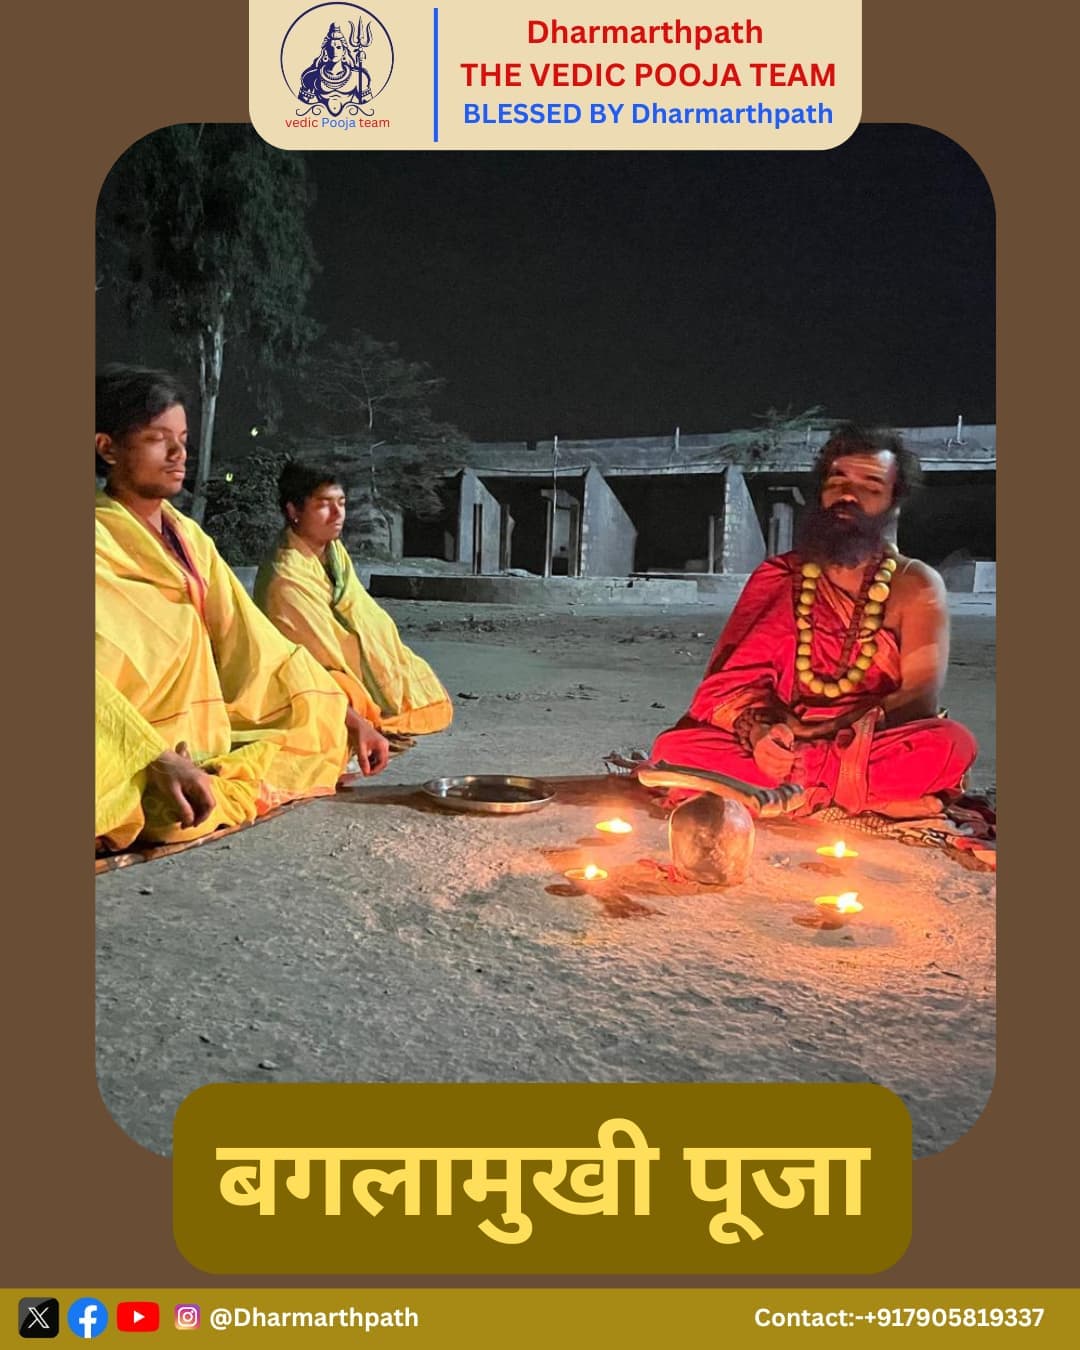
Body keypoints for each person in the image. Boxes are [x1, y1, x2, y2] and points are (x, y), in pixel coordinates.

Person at [95, 365, 388, 853]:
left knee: (314, 719)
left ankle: (187, 781)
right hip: (120, 734)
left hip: (197, 733)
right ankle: (162, 781)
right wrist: (150, 753)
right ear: (107, 448)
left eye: (183, 439)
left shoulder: (187, 538)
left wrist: (344, 714)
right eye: (157, 438)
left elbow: (254, 641)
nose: (178, 454)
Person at [650, 424, 978, 820]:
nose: (848, 494)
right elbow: (726, 690)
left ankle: (786, 792)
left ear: (893, 503)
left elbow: (919, 699)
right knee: (673, 748)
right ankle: (847, 794)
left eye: (871, 486)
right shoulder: (779, 576)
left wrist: (821, 735)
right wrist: (759, 735)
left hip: (861, 742)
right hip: (779, 740)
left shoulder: (916, 584)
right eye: (837, 480)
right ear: (820, 491)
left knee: (950, 745)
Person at [254, 464, 454, 740]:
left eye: (342, 503)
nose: (338, 515)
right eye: (324, 505)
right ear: (293, 511)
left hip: (347, 665)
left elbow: (361, 611)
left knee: (413, 669)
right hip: (310, 677)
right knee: (339, 694)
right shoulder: (286, 577)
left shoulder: (334, 552)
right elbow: (315, 655)